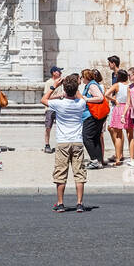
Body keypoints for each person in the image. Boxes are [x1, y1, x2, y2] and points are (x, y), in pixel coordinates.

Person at [42, 71, 87, 213]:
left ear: (64, 89)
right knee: (79, 172)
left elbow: (43, 100)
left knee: (61, 173)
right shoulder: (81, 103)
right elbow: (79, 97)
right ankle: (79, 203)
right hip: (77, 141)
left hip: (63, 142)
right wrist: (75, 86)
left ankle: (60, 203)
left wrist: (54, 86)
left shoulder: (59, 104)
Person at [81, 68, 107, 169]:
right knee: (95, 138)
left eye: (82, 76)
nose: (81, 79)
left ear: (86, 77)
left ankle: (94, 160)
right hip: (94, 115)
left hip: (91, 116)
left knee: (86, 137)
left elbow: (100, 97)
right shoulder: (91, 84)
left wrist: (87, 99)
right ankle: (99, 161)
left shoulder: (92, 85)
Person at [104, 68, 130, 165]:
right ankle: (130, 157)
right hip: (127, 108)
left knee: (118, 134)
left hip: (119, 108)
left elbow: (106, 94)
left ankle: (118, 158)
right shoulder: (129, 86)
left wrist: (114, 100)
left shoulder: (117, 85)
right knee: (129, 134)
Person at [42, 66, 62, 154]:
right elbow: (47, 97)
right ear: (54, 72)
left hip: (59, 107)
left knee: (60, 127)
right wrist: (59, 96)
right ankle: (47, 145)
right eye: (58, 71)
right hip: (50, 107)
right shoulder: (49, 82)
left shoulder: (61, 82)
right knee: (48, 127)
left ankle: (61, 144)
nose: (60, 73)